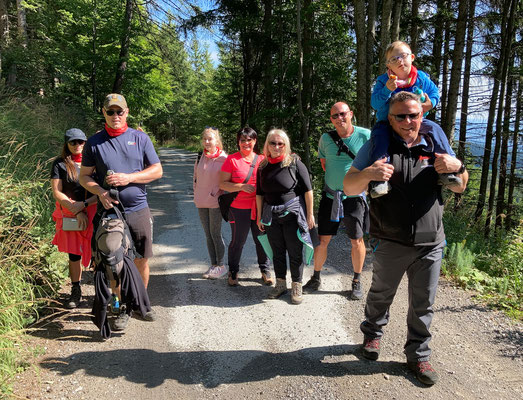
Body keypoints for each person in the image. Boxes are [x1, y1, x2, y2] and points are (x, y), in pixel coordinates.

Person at [344, 91, 468, 386]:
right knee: (381, 294)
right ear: (390, 118)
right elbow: (349, 186)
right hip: (390, 239)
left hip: (430, 242)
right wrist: (369, 174)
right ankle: (371, 335)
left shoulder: (434, 145)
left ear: (421, 115)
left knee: (423, 303)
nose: (408, 121)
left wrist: (458, 168)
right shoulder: (378, 146)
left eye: (413, 115)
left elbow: (460, 187)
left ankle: (418, 356)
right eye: (401, 116)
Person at [80, 93, 163, 330]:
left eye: (119, 111)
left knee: (141, 259)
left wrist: (129, 177)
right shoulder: (95, 142)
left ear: (127, 112)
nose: (115, 116)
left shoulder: (140, 138)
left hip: (138, 209)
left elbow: (157, 171)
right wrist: (100, 192)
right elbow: (83, 176)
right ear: (103, 113)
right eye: (110, 112)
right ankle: (122, 305)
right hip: (110, 212)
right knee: (114, 262)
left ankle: (137, 301)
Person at [369, 40, 459, 198]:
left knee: (434, 129)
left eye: (402, 56)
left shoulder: (421, 78)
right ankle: (380, 179)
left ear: (412, 57)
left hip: (416, 123)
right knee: (379, 136)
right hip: (387, 122)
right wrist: (386, 90)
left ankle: (446, 169)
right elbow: (375, 103)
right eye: (393, 59)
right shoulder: (384, 81)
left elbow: (434, 94)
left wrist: (430, 103)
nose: (399, 61)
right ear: (388, 66)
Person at [302, 102, 370, 301]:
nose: (339, 119)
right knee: (323, 240)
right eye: (334, 116)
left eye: (342, 114)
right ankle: (315, 278)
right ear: (331, 119)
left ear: (351, 114)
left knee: (356, 241)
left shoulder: (366, 136)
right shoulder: (326, 138)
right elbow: (325, 164)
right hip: (331, 196)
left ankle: (356, 281)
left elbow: (377, 162)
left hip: (355, 198)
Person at [256, 129, 315, 304]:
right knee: (277, 251)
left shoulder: (295, 163)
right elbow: (259, 194)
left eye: (280, 143)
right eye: (273, 143)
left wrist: (310, 214)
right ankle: (281, 283)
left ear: (286, 145)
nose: (276, 146)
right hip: (271, 216)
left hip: (292, 215)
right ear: (267, 144)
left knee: (295, 251)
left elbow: (308, 190)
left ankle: (297, 285)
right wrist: (260, 216)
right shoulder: (263, 166)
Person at [50, 128, 97, 309]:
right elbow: (57, 191)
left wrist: (84, 206)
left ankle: (99, 290)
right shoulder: (60, 164)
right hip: (70, 212)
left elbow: (101, 192)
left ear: (86, 143)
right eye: (73, 142)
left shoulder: (93, 162)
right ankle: (76, 290)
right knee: (74, 254)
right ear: (66, 144)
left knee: (96, 252)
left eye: (81, 142)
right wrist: (76, 210)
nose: (77, 146)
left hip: (92, 210)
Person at [219, 127, 271, 287]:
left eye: (249, 140)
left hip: (259, 208)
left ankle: (265, 270)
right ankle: (233, 271)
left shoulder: (263, 159)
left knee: (262, 239)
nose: (246, 143)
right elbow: (222, 184)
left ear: (255, 141)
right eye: (242, 140)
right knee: (238, 241)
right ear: (238, 142)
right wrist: (240, 187)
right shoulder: (232, 159)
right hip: (238, 208)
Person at [193, 127, 228, 279]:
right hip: (201, 201)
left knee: (215, 233)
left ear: (217, 141)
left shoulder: (224, 158)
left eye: (210, 139)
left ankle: (221, 265)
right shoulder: (200, 155)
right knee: (208, 234)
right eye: (205, 139)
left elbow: (228, 180)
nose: (207, 142)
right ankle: (213, 265)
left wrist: (219, 193)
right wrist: (196, 193)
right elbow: (195, 177)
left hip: (215, 202)